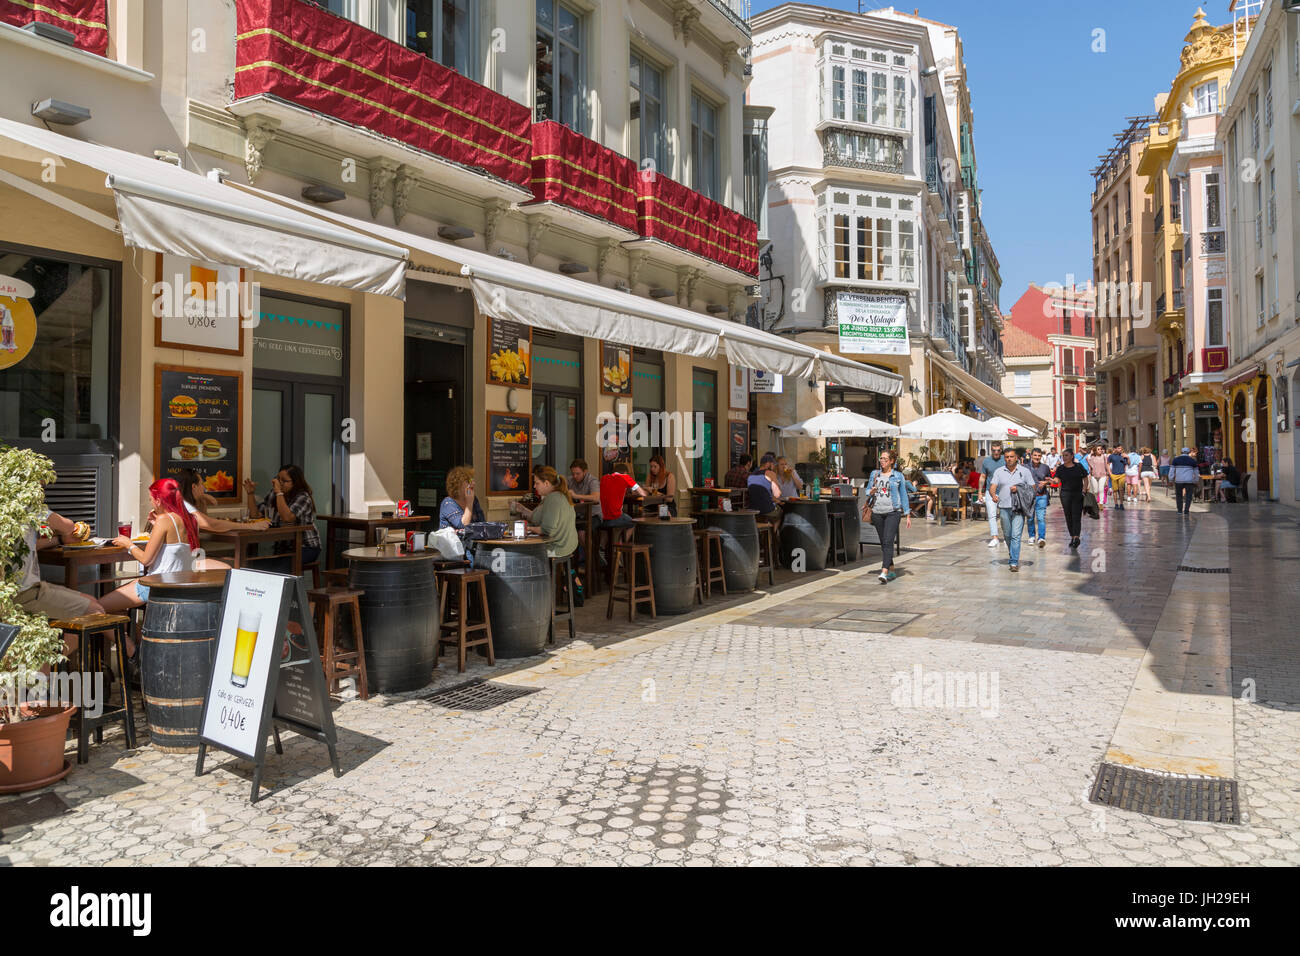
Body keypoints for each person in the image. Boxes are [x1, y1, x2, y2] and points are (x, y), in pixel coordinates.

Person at [103, 479, 198, 642]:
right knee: (118, 610)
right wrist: (155, 525)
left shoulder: (164, 520)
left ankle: (131, 652)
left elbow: (146, 560)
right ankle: (136, 647)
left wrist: (129, 544)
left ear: (159, 500)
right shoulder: (188, 520)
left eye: (150, 499)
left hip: (155, 586)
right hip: (176, 586)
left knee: (97, 608)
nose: (151, 503)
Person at [14, 508, 103, 643]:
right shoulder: (27, 505)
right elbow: (68, 526)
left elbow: (29, 546)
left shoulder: (10, 510)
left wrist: (60, 539)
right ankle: (47, 664)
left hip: (31, 588)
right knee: (95, 613)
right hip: (24, 593)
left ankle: (132, 654)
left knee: (93, 601)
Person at [243, 464, 321, 568]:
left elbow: (287, 518)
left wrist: (279, 493)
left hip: (305, 547)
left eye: (284, 481)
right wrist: (250, 494)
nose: (280, 483)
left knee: (279, 568)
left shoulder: (303, 497)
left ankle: (289, 584)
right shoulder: (273, 493)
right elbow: (255, 515)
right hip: (283, 548)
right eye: (278, 479)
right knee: (253, 566)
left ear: (295, 482)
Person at [862, 449, 913, 584]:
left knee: (889, 540)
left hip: (893, 512)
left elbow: (903, 495)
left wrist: (907, 514)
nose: (882, 461)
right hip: (877, 512)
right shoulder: (875, 474)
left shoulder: (898, 476)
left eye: (885, 459)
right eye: (881, 459)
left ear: (891, 461)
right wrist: (870, 491)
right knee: (884, 542)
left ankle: (884, 571)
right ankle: (891, 569)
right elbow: (867, 490)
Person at [178, 467, 267, 536]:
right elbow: (211, 524)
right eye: (201, 483)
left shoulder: (183, 501)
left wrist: (202, 497)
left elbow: (203, 525)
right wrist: (251, 527)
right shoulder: (184, 505)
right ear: (194, 487)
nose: (204, 487)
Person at [989, 447, 1036, 572]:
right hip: (1004, 507)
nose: (1009, 459)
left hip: (1019, 508)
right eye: (1007, 457)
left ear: (1016, 458)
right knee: (1008, 535)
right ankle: (1012, 554)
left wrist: (1019, 488)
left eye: (1011, 457)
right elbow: (993, 486)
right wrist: (993, 495)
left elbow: (1033, 488)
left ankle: (1014, 561)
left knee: (1016, 535)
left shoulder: (1025, 471)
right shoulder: (999, 471)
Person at [526, 465, 578, 562]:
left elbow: (547, 530)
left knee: (523, 552)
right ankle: (571, 574)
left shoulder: (553, 498)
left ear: (546, 483)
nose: (534, 486)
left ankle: (540, 577)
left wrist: (528, 529)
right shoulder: (561, 495)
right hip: (568, 545)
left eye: (537, 483)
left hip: (557, 547)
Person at [598, 461, 645, 544]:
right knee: (633, 523)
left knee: (609, 526)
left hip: (601, 518)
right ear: (625, 473)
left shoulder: (604, 478)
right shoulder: (625, 477)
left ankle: (602, 548)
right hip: (615, 517)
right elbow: (642, 493)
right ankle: (619, 547)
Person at [1054, 451, 1087, 548]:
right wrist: (1053, 480)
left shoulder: (1078, 466)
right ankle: (1072, 537)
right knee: (1068, 516)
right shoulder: (1060, 468)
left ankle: (1076, 537)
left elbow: (1085, 478)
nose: (1064, 457)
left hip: (1078, 494)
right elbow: (1057, 479)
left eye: (1066, 455)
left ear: (1072, 456)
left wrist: (1084, 490)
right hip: (1065, 494)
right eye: (1063, 456)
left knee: (1076, 516)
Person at [978, 443, 1005, 549]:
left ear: (1001, 450)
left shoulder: (1005, 459)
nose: (996, 452)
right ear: (991, 450)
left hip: (1004, 491)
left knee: (1005, 516)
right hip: (990, 491)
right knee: (992, 515)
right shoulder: (986, 461)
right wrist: (980, 492)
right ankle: (995, 538)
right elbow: (983, 477)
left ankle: (1007, 537)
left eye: (998, 450)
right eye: (994, 450)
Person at [1027, 448, 1053, 548]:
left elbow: (1050, 480)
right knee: (1030, 518)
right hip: (1029, 497)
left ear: (1041, 457)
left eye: (1039, 456)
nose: (1037, 457)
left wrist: (1046, 482)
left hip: (1042, 496)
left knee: (1041, 518)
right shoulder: (1025, 467)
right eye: (1035, 455)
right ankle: (1031, 536)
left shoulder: (1045, 467)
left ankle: (1041, 538)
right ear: (1031, 456)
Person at [1170, 446, 1200, 515]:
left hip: (1178, 480)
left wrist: (1171, 479)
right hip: (1189, 481)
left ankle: (1179, 511)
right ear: (1189, 452)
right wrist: (1196, 480)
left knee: (1179, 496)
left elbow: (1171, 471)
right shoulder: (1192, 461)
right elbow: (1196, 472)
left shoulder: (1176, 460)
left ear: (1181, 452)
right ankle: (1186, 511)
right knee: (1188, 496)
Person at [1107, 444, 1128, 510]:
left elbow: (1128, 464)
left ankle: (1121, 504)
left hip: (1122, 474)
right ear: (1115, 449)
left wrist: (1128, 457)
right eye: (1119, 448)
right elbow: (1108, 464)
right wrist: (1110, 473)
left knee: (1121, 490)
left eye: (1121, 448)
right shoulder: (1111, 456)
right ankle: (1116, 504)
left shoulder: (1123, 455)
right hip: (1114, 475)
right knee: (1115, 490)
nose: (1120, 450)